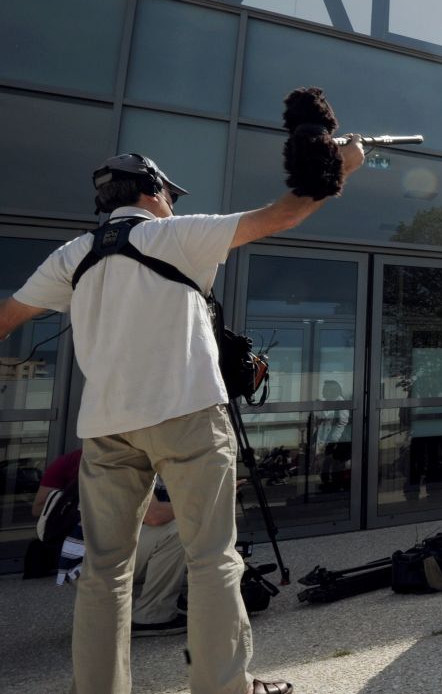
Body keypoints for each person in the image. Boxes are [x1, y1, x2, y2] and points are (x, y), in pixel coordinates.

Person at [0, 88, 364, 694]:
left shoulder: (73, 255)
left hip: (105, 431)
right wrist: (341, 165)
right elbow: (285, 213)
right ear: (151, 192)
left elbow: (7, 319)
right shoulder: (176, 236)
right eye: (169, 194)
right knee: (212, 557)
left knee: (104, 571)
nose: (171, 204)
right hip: (188, 416)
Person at [33, 450, 189, 636]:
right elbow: (154, 516)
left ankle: (167, 598)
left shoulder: (154, 463)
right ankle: (151, 616)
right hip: (90, 565)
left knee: (187, 532)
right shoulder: (128, 464)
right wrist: (203, 504)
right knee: (179, 530)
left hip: (104, 556)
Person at [314, 380, 351, 493]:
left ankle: (335, 485)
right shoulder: (326, 403)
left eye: (325, 389)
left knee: (334, 464)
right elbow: (321, 422)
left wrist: (333, 441)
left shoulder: (340, 403)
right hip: (326, 439)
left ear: (333, 390)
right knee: (325, 463)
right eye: (323, 389)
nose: (323, 391)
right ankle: (328, 483)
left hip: (338, 441)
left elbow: (342, 423)